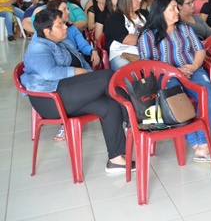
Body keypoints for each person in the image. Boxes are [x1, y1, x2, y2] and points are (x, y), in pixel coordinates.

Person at [21, 9, 131, 174]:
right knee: (107, 76)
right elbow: (50, 73)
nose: (65, 27)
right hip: (50, 99)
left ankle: (116, 160)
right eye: (60, 25)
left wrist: (89, 78)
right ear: (46, 31)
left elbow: (82, 62)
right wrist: (81, 74)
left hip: (69, 93)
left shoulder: (62, 42)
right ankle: (135, 120)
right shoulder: (38, 46)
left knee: (109, 106)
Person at [137, 0, 211, 162]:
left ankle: (203, 142)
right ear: (160, 12)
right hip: (166, 75)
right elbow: (148, 64)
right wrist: (175, 71)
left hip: (192, 69)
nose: (177, 11)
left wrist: (194, 67)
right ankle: (197, 143)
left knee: (206, 92)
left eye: (177, 7)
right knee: (176, 98)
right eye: (172, 8)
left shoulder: (184, 28)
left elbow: (200, 50)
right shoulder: (148, 34)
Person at [105, 0, 148, 71]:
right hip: (121, 54)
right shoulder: (116, 17)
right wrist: (150, 38)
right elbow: (127, 40)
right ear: (126, 0)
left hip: (143, 52)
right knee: (131, 73)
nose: (140, 0)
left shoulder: (144, 14)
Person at [46, 0, 101, 67]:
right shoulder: (46, 32)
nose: (68, 12)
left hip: (76, 61)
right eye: (64, 9)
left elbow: (83, 44)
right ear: (54, 12)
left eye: (68, 9)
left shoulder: (72, 29)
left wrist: (92, 50)